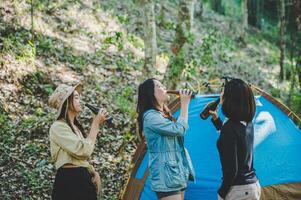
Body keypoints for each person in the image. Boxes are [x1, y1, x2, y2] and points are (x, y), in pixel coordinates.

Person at [137, 78, 195, 200]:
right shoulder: (151, 117)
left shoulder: (162, 115)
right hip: (166, 176)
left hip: (176, 173)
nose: (164, 87)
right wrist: (184, 104)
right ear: (150, 94)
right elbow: (179, 129)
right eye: (159, 86)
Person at [48, 83, 109, 200]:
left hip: (82, 180)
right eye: (76, 97)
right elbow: (83, 151)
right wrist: (95, 124)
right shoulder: (58, 127)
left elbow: (80, 159)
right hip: (70, 182)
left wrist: (93, 172)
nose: (79, 100)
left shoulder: (75, 128)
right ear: (66, 102)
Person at [209, 78, 261, 200]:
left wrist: (222, 192)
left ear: (231, 99)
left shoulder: (230, 128)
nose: (221, 94)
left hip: (238, 190)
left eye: (224, 91)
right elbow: (234, 138)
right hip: (253, 186)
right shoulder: (248, 123)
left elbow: (232, 170)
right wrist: (217, 120)